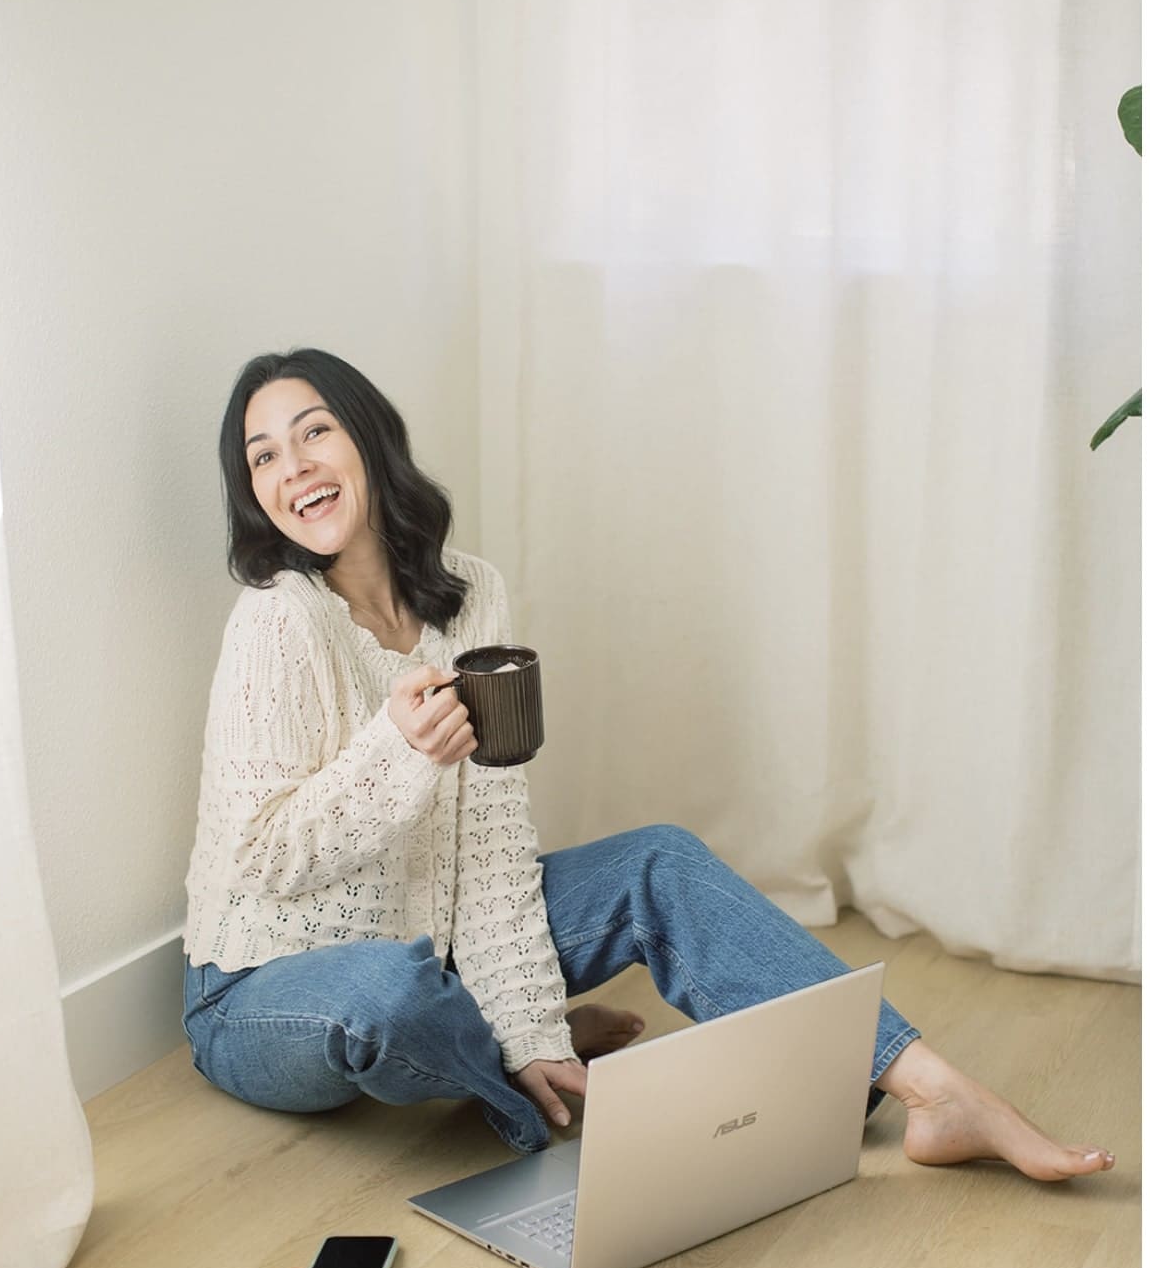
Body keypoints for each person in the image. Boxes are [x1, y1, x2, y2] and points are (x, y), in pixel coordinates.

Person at [183, 347, 1115, 1182]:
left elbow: (494, 847)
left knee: (655, 863)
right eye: (262, 455)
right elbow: (264, 862)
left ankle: (933, 1089)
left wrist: (525, 1009)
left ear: (372, 443)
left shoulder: (471, 600)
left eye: (314, 432)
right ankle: (513, 1065)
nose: (292, 465)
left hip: (447, 946)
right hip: (268, 988)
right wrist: (397, 753)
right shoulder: (278, 619)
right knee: (387, 991)